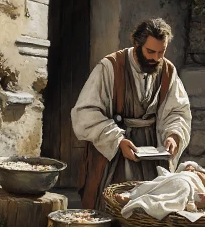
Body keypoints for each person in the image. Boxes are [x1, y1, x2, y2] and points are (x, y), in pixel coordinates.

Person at [71, 18, 192, 210]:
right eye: (150, 51)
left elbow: (177, 110)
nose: (156, 58)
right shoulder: (110, 66)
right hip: (116, 147)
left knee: (149, 208)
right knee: (111, 205)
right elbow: (86, 112)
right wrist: (117, 140)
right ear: (137, 43)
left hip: (152, 150)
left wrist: (173, 135)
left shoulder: (167, 70)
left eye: (162, 52)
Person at [115, 152, 205, 210]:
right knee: (161, 182)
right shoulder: (202, 171)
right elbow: (182, 173)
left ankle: (139, 202)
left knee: (180, 188)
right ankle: (135, 196)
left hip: (193, 191)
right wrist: (189, 170)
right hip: (181, 179)